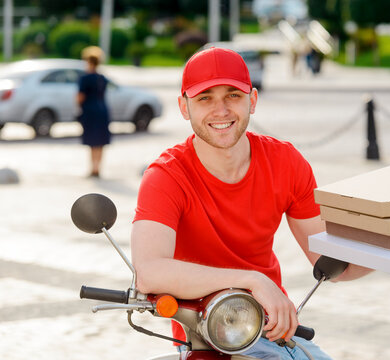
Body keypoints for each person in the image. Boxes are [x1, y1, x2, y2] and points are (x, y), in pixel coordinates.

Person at [130, 47, 373, 359]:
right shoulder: (166, 176)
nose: (221, 110)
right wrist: (252, 280)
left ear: (252, 100)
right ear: (184, 106)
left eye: (233, 95)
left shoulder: (285, 162)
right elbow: (149, 272)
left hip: (268, 331)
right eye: (205, 98)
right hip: (203, 335)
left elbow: (334, 263)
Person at [77, 46, 111, 178]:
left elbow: (80, 97)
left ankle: (93, 167)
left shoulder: (85, 79)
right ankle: (98, 167)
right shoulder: (102, 78)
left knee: (92, 141)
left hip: (90, 112)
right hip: (103, 111)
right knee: (101, 141)